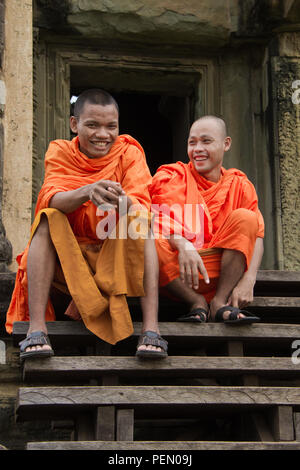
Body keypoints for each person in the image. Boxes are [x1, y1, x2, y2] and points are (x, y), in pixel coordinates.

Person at [6, 88, 168, 360]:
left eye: (110, 126)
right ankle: (36, 330)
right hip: (69, 261)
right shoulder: (59, 150)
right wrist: (87, 191)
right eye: (92, 125)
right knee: (48, 218)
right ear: (74, 124)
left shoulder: (128, 152)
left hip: (114, 256)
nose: (103, 135)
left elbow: (141, 203)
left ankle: (151, 330)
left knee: (142, 222)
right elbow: (50, 198)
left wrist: (121, 201)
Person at [149, 115, 264, 324]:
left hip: (223, 272)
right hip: (176, 274)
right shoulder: (171, 177)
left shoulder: (239, 184)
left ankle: (219, 302)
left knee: (246, 218)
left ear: (226, 143)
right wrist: (182, 243)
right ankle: (196, 301)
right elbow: (155, 221)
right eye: (192, 142)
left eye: (206, 141)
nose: (197, 149)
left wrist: (249, 280)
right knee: (147, 240)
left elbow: (257, 235)